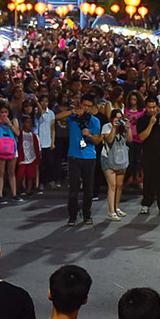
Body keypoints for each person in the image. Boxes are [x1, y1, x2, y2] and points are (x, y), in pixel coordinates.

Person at [57, 94, 102, 227]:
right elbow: (56, 117)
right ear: (80, 104)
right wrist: (72, 111)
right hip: (74, 156)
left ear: (93, 107)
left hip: (89, 157)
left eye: (89, 106)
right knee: (74, 189)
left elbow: (98, 140)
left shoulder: (95, 121)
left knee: (88, 189)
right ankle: (72, 216)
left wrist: (89, 135)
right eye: (84, 105)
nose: (86, 108)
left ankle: (87, 214)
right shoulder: (73, 117)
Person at [100, 108, 130, 221]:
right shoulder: (106, 126)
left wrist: (128, 127)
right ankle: (111, 211)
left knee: (119, 185)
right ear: (112, 118)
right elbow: (110, 140)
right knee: (112, 186)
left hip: (121, 158)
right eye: (116, 118)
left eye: (120, 118)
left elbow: (130, 139)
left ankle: (116, 208)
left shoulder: (123, 127)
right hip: (108, 158)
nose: (118, 120)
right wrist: (114, 127)